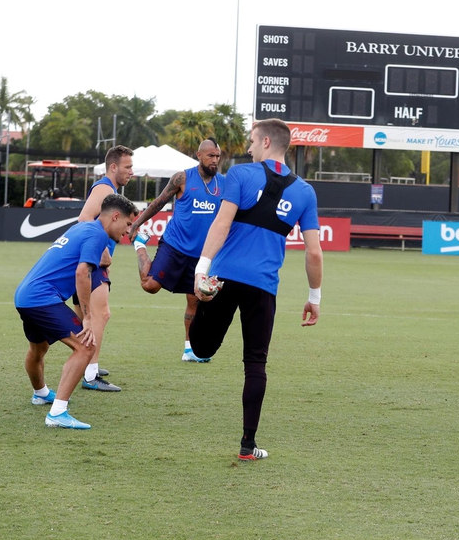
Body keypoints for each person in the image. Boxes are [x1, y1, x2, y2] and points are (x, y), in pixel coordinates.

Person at [190, 118, 323, 460]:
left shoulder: (239, 174)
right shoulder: (305, 192)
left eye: (251, 141)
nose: (248, 147)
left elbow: (222, 222)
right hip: (262, 288)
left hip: (223, 278)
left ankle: (203, 309)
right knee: (256, 364)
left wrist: (201, 268)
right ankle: (247, 446)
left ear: (265, 143)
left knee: (202, 347)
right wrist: (314, 297)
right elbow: (313, 251)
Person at [15, 193, 138, 429]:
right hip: (42, 298)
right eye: (128, 224)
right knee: (86, 346)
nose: (127, 231)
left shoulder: (81, 228)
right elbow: (82, 273)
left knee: (38, 349)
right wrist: (88, 318)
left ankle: (40, 393)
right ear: (115, 216)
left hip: (25, 295)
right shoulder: (97, 235)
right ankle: (57, 413)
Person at [128, 139, 225, 362]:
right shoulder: (182, 178)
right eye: (210, 155)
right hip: (175, 246)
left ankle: (190, 349)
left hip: (201, 255)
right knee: (150, 286)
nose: (215, 160)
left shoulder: (225, 184)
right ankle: (140, 243)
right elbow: (159, 202)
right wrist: (136, 224)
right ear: (199, 155)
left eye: (217, 156)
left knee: (195, 300)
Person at [73, 145, 134, 392]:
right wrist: (103, 251)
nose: (132, 171)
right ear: (113, 167)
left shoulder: (109, 190)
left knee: (82, 318)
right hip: (93, 261)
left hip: (88, 259)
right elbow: (84, 217)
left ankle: (85, 363)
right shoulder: (104, 188)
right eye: (128, 167)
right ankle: (90, 374)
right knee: (101, 314)